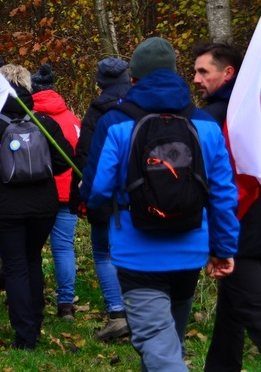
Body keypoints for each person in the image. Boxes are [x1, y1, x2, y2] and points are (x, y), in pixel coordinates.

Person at [80, 37, 239, 371]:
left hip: (137, 255)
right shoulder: (205, 124)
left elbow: (96, 192)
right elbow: (224, 194)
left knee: (159, 347)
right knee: (169, 344)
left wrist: (89, 191)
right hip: (189, 251)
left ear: (133, 79)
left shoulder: (115, 122)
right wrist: (223, 248)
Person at [0, 63, 73, 350]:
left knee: (16, 265)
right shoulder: (44, 122)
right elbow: (64, 159)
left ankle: (25, 335)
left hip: (6, 206)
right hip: (44, 204)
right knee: (32, 261)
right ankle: (36, 321)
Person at [194, 42, 261, 372]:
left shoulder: (221, 120)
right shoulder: (247, 111)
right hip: (241, 229)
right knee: (232, 311)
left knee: (252, 309)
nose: (196, 79)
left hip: (242, 231)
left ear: (228, 73)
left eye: (203, 71)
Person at [70, 57, 131, 341]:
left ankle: (118, 314)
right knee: (132, 253)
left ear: (99, 82)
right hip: (137, 195)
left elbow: (85, 154)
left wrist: (83, 190)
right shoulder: (140, 106)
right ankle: (140, 312)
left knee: (103, 252)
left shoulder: (97, 112)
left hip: (104, 194)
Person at [30, 63, 81, 321]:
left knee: (31, 248)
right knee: (63, 248)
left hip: (40, 191)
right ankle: (65, 306)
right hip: (69, 191)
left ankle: (33, 298)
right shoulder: (72, 119)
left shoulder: (31, 119)